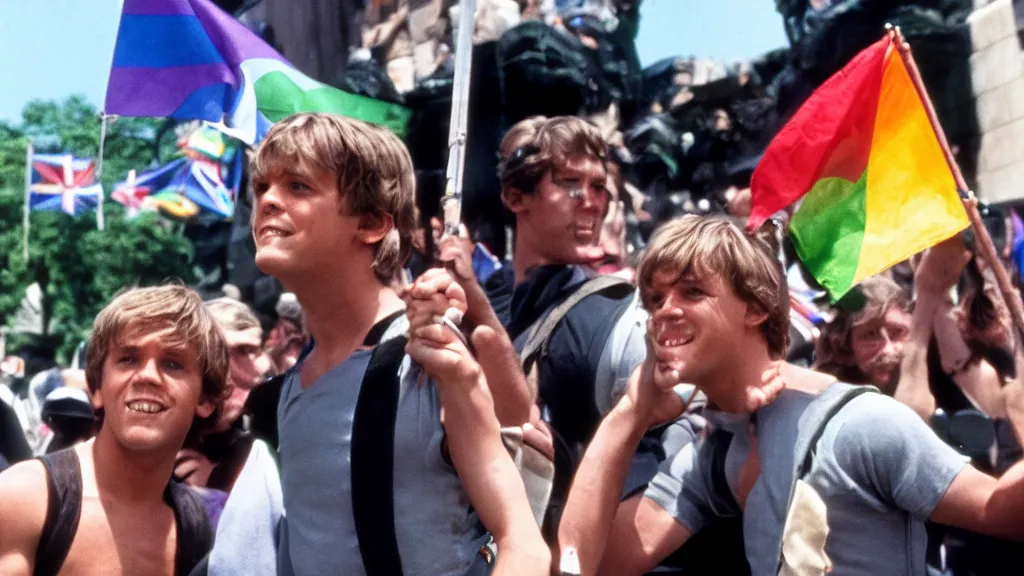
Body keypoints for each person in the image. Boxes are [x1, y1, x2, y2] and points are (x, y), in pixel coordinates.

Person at [557, 215, 1024, 576]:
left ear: (756, 307)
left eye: (692, 292)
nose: (665, 313)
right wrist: (628, 414)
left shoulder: (858, 424)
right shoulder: (716, 456)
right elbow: (586, 565)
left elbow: (999, 511)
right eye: (656, 300)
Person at [246, 112, 545, 574]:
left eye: (298, 186)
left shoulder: (429, 357)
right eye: (261, 187)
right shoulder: (288, 391)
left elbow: (523, 544)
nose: (268, 201)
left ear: (370, 224)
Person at [0, 285, 228, 576]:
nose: (147, 376)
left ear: (205, 398)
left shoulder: (205, 530)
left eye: (172, 363)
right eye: (128, 359)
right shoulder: (27, 501)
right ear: (97, 388)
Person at [175, 298, 271, 493]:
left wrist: (219, 480)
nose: (226, 373)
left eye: (245, 351)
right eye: (215, 353)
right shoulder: (168, 431)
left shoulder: (271, 430)